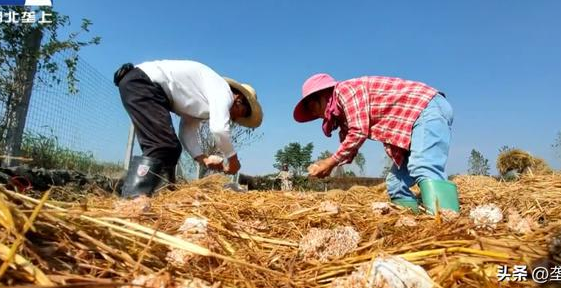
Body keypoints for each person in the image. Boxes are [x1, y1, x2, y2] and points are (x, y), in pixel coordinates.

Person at [294, 73, 459, 214]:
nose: (314, 114)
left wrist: (330, 162)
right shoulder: (342, 113)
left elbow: (358, 132)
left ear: (322, 96)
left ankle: (444, 222)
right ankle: (415, 222)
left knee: (423, 166)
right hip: (411, 125)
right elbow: (349, 145)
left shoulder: (345, 91)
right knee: (396, 185)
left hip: (426, 108)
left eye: (311, 106)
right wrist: (328, 164)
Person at [114, 60, 263, 198]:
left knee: (172, 148)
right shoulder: (224, 91)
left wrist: (203, 158)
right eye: (241, 114)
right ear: (238, 99)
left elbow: (187, 130)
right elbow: (219, 129)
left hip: (142, 85)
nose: (236, 120)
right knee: (162, 145)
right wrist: (233, 159)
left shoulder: (203, 98)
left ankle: (163, 196)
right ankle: (132, 200)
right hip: (143, 83)